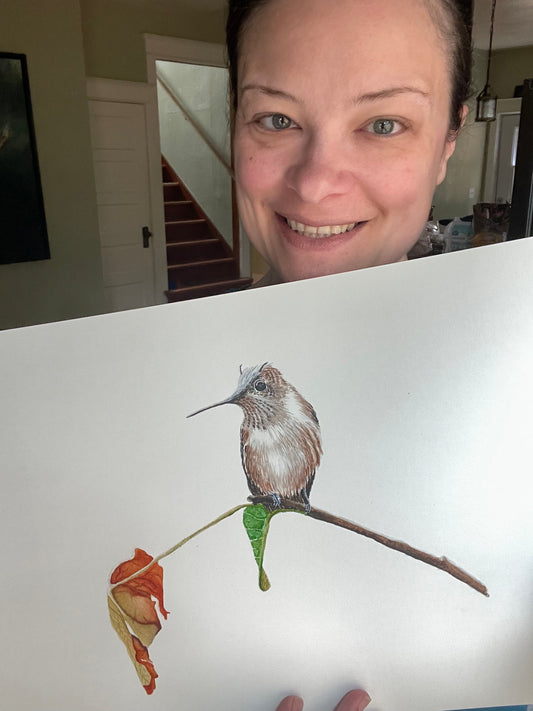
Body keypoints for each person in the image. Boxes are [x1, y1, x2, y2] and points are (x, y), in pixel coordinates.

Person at [225, 0, 472, 706]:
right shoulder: (125, 382)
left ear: (449, 136)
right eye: (275, 118)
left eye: (383, 123)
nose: (314, 182)